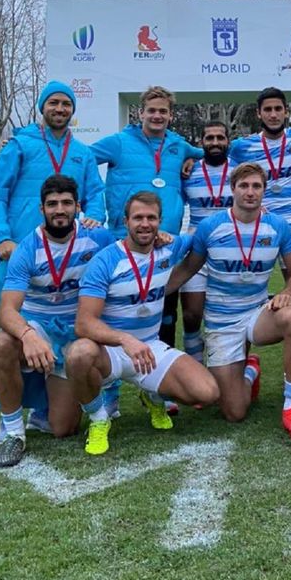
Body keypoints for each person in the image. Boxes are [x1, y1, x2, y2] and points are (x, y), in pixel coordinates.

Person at [167, 162, 291, 442]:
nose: (250, 192)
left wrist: (288, 291)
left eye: (256, 186)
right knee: (234, 412)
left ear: (263, 191)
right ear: (232, 189)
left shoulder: (277, 226)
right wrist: (153, 294)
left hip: (259, 314)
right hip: (222, 322)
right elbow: (188, 269)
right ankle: (250, 370)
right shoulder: (211, 227)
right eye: (244, 186)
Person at [67, 191, 218, 456]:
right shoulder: (105, 261)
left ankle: (151, 395)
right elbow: (84, 323)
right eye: (138, 218)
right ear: (125, 221)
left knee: (207, 393)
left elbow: (203, 240)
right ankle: (99, 418)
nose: (145, 224)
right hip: (111, 351)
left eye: (151, 218)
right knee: (79, 353)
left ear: (160, 222)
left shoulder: (169, 247)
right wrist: (125, 339)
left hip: (149, 347)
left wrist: (253, 213)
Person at [0, 174, 116, 467]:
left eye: (66, 203)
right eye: (52, 204)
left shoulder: (98, 238)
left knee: (63, 429)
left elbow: (134, 249)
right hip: (38, 327)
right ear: (42, 209)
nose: (59, 209)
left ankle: (44, 410)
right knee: (3, 342)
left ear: (78, 206)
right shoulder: (26, 248)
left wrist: (163, 237)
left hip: (75, 332)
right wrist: (27, 335)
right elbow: (7, 310)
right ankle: (13, 432)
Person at [91, 85, 202, 352]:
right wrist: (93, 206)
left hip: (164, 243)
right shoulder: (118, 142)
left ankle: (160, 384)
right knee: (114, 313)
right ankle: (109, 380)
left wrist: (193, 161)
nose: (157, 116)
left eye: (163, 111)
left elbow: (209, 154)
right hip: (125, 243)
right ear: (140, 113)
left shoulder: (178, 145)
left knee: (164, 315)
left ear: (171, 115)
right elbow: (80, 161)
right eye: (151, 110)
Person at [0, 80, 105, 299]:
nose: (60, 109)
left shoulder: (82, 153)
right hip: (19, 248)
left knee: (69, 323)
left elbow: (95, 194)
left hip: (67, 252)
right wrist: (2, 238)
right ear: (43, 107)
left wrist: (95, 216)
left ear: (73, 110)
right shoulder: (20, 145)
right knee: (14, 325)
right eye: (53, 102)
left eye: (66, 104)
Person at [228, 87, 291, 305]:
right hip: (258, 222)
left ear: (286, 112)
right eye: (268, 109)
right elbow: (218, 166)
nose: (273, 114)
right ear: (259, 113)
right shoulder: (242, 146)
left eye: (278, 109)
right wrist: (192, 158)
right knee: (246, 294)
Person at [181, 120, 233, 367]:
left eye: (219, 138)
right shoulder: (187, 172)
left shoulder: (239, 172)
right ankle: (195, 367)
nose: (215, 143)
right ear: (201, 142)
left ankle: (235, 364)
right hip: (196, 248)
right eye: (209, 138)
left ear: (227, 142)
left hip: (231, 249)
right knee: (191, 315)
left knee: (230, 314)